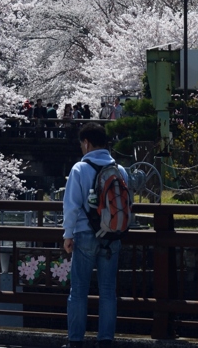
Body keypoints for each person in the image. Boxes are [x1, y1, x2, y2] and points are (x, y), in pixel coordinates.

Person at [62, 122, 129, 348]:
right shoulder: (120, 170)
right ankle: (105, 341)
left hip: (85, 235)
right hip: (113, 236)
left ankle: (76, 341)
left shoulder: (79, 169)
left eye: (82, 144)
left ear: (87, 143)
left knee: (79, 290)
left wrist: (68, 234)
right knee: (108, 291)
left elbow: (71, 206)